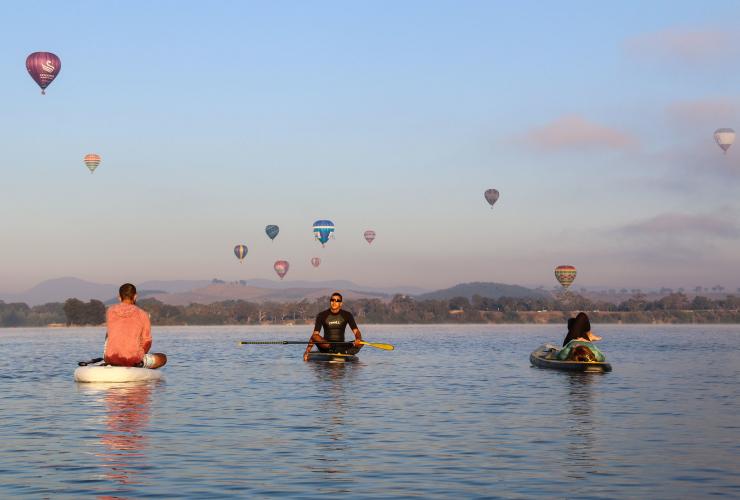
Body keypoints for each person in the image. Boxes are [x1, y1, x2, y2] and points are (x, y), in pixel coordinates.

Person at [104, 283, 167, 368]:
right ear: (135, 296)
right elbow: (147, 341)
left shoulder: (110, 311)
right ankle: (140, 365)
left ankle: (110, 360)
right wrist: (139, 355)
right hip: (133, 360)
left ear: (119, 297)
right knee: (163, 358)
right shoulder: (143, 314)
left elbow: (109, 336)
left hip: (110, 358)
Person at [304, 292, 363, 361]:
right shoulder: (322, 315)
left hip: (341, 345)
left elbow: (356, 331)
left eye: (337, 300)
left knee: (361, 342)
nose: (334, 302)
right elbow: (315, 336)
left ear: (341, 304)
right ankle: (338, 350)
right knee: (314, 336)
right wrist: (307, 351)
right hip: (326, 346)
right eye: (332, 300)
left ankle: (344, 352)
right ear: (330, 302)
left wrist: (358, 339)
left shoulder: (347, 315)